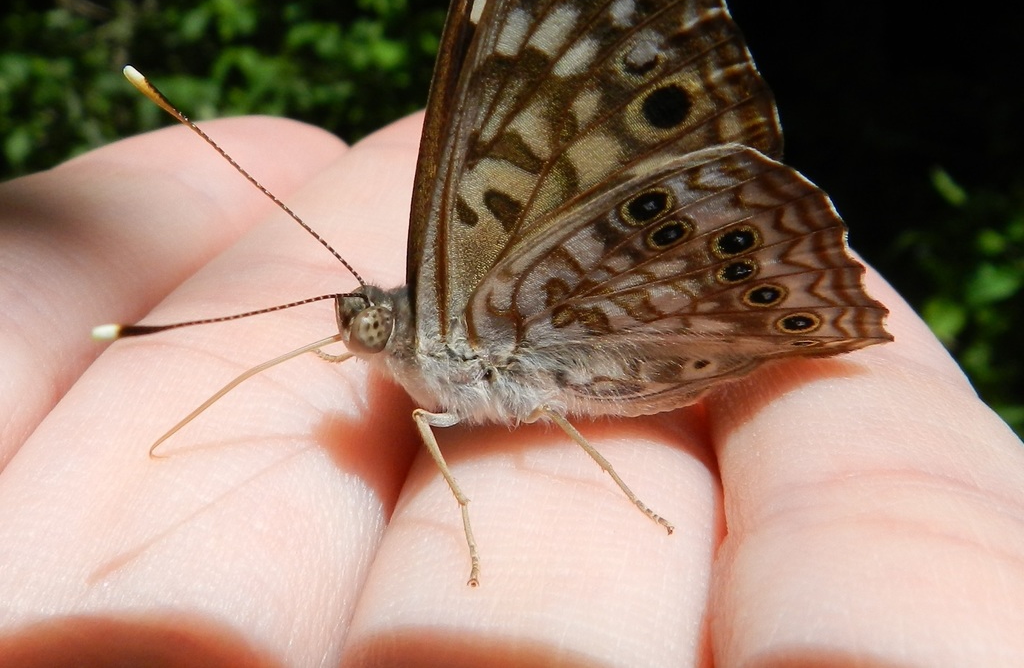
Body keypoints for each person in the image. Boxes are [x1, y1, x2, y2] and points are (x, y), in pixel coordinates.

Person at [0, 111, 1022, 665]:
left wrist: (608, 491)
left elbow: (526, 400)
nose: (351, 335)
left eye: (358, 327)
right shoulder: (415, 338)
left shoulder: (449, 322)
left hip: (691, 284)